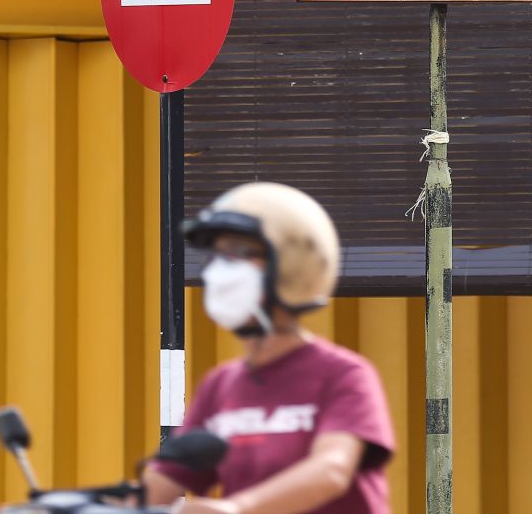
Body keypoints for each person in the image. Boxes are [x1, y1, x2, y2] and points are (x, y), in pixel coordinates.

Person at [143, 182, 394, 514]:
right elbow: (160, 487)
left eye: (238, 253)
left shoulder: (344, 374)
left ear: (292, 264)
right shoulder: (221, 386)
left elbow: (332, 470)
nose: (219, 271)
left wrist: (236, 509)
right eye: (216, 255)